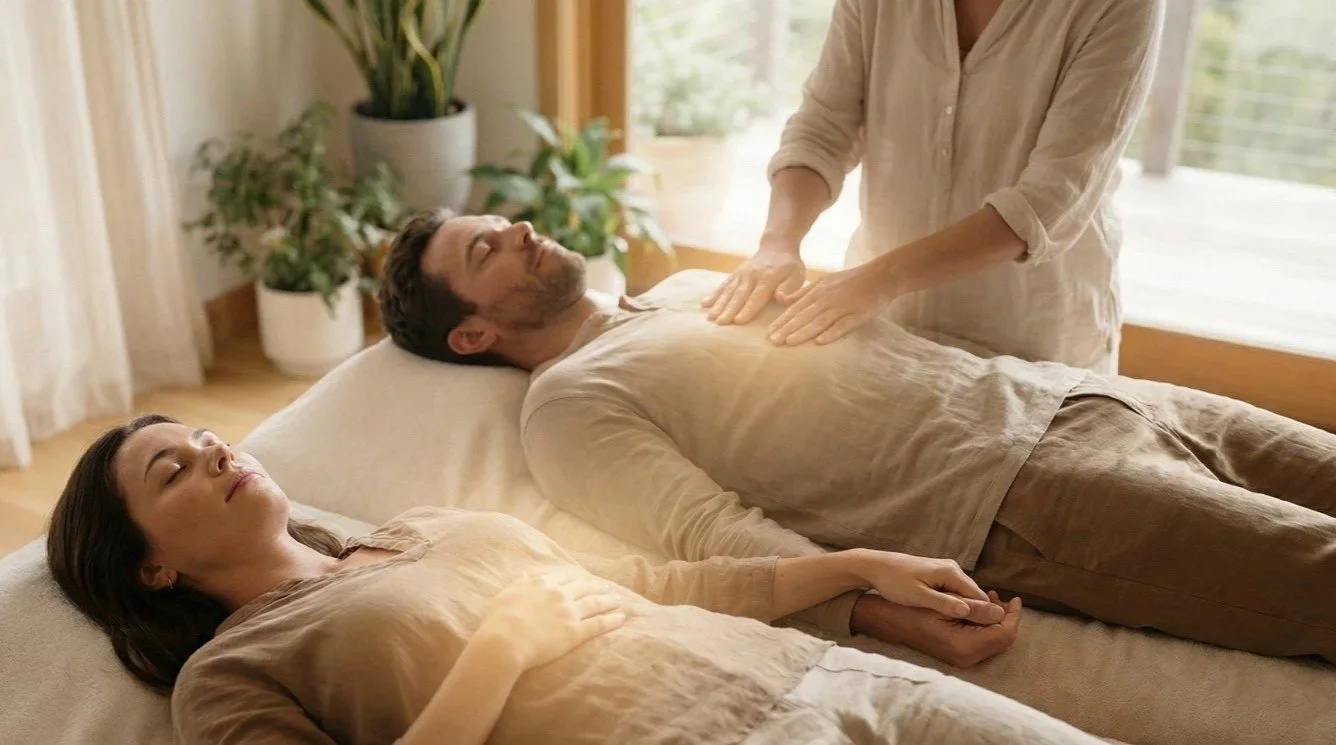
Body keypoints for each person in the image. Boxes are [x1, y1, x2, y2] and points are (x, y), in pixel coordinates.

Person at [378, 210, 1336, 664]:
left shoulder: (684, 291)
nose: (518, 228)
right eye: (485, 249)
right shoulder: (566, 407)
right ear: (472, 335)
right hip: (1025, 499)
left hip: (1073, 395)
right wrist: (875, 609)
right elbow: (714, 536)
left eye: (500, 221)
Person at [44, 414, 1115, 745]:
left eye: (207, 439)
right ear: (152, 565)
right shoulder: (228, 676)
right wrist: (499, 650)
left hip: (820, 675)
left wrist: (858, 570)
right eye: (173, 471)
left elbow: (653, 579)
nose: (215, 454)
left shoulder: (420, 528)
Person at [703, 0, 1164, 374]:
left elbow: (1048, 200)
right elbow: (822, 130)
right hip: (884, 322)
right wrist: (778, 243)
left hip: (1032, 338)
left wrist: (883, 279)